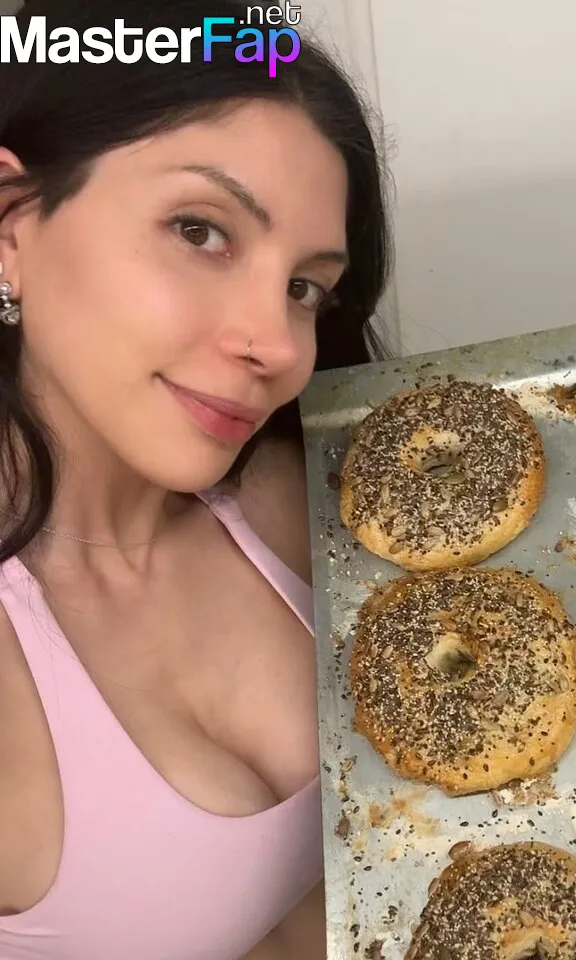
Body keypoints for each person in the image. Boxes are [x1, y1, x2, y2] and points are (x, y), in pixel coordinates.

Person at [0, 0, 390, 957]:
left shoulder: (295, 494)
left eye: (304, 287)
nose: (277, 346)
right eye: (199, 230)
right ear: (11, 224)